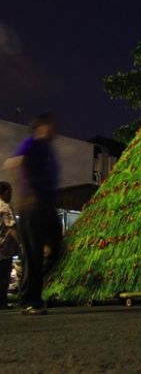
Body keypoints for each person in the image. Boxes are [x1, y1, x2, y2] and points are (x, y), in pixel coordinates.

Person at [3, 113, 61, 315]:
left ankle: (30, 292)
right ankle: (30, 300)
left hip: (47, 205)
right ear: (42, 127)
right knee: (33, 254)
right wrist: (27, 191)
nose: (54, 130)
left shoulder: (47, 149)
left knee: (56, 248)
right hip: (31, 206)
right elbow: (13, 163)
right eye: (51, 126)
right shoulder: (32, 144)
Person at [0, 182, 21, 309]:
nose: (11, 195)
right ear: (6, 192)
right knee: (3, 277)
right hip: (3, 250)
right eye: (10, 192)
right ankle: (1, 303)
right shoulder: (5, 207)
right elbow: (12, 227)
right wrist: (21, 243)